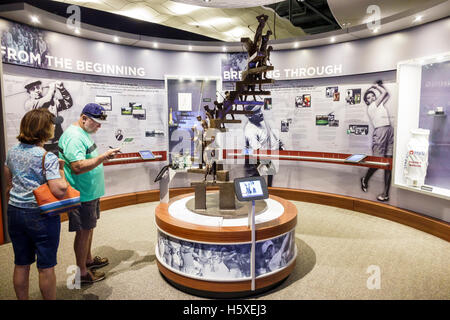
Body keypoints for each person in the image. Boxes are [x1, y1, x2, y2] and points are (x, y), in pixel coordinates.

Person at [4, 109, 69, 300]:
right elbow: (59, 190)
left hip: (15, 211)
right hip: (40, 215)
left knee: (21, 263)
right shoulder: (46, 156)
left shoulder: (12, 151)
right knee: (46, 266)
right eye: (51, 124)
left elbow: (9, 182)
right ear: (44, 129)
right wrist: (61, 170)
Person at [58, 103, 120, 284]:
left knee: (89, 228)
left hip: (90, 192)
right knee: (83, 232)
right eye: (96, 122)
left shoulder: (83, 133)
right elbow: (77, 167)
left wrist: (103, 158)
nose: (99, 126)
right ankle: (82, 273)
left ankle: (88, 260)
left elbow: (84, 160)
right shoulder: (74, 136)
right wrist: (103, 157)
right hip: (82, 194)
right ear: (83, 118)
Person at [360, 81, 394, 202]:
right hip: (380, 132)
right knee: (377, 162)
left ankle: (385, 193)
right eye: (368, 98)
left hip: (389, 130)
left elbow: (387, 94)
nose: (371, 98)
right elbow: (384, 93)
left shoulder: (379, 105)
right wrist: (376, 86)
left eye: (372, 95)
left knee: (388, 165)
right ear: (367, 102)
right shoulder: (372, 107)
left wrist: (380, 87)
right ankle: (365, 179)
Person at [24, 79, 73, 154]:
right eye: (32, 89)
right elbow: (46, 100)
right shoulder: (29, 104)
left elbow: (68, 103)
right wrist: (52, 88)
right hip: (41, 144)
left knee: (59, 164)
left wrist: (62, 89)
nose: (36, 90)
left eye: (38, 87)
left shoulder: (52, 101)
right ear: (29, 93)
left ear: (41, 88)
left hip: (58, 142)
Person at [244, 104, 284, 187]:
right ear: (250, 116)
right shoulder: (250, 130)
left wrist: (278, 143)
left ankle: (269, 189)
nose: (260, 113)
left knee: (270, 171)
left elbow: (268, 134)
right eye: (257, 112)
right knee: (255, 180)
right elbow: (256, 150)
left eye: (260, 110)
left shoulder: (260, 123)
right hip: (255, 159)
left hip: (263, 154)